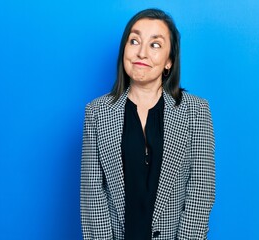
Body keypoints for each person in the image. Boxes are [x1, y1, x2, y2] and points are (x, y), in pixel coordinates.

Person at [80, 8, 215, 240]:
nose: (141, 52)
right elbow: (92, 194)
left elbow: (201, 191)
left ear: (169, 62)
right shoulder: (97, 112)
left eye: (155, 45)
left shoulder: (196, 111)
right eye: (134, 41)